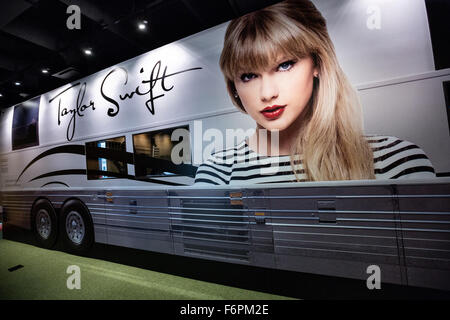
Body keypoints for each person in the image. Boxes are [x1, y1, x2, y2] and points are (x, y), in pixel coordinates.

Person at [194, 0, 435, 185]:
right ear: (234, 85)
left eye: (285, 65)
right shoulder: (217, 171)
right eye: (248, 75)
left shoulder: (397, 162)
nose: (267, 93)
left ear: (317, 63)